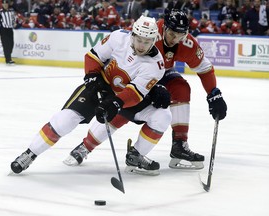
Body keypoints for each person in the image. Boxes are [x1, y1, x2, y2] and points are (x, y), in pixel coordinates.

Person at [64, 9, 227, 172]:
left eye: (180, 35)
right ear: (164, 28)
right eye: (171, 33)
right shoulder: (148, 35)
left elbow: (205, 68)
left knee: (181, 88)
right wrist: (153, 89)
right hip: (133, 77)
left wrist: (213, 93)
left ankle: (179, 145)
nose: (175, 39)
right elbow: (123, 60)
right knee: (122, 109)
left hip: (161, 75)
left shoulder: (187, 43)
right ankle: (86, 146)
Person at [10, 15, 172, 176]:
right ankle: (30, 153)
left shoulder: (156, 65)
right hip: (100, 86)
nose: (142, 46)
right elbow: (93, 56)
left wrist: (114, 104)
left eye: (147, 42)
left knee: (163, 115)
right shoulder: (118, 37)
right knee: (65, 120)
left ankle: (135, 156)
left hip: (124, 98)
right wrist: (92, 76)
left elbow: (134, 93)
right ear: (133, 35)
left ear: (154, 40)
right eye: (139, 40)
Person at [0, 0, 16, 65]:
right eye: (4, 4)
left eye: (6, 4)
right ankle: (8, 60)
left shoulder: (11, 11)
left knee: (11, 44)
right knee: (6, 45)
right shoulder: (0, 12)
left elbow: (13, 19)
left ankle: (8, 57)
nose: (5, 5)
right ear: (2, 5)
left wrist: (14, 24)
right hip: (3, 30)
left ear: (8, 4)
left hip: (10, 29)